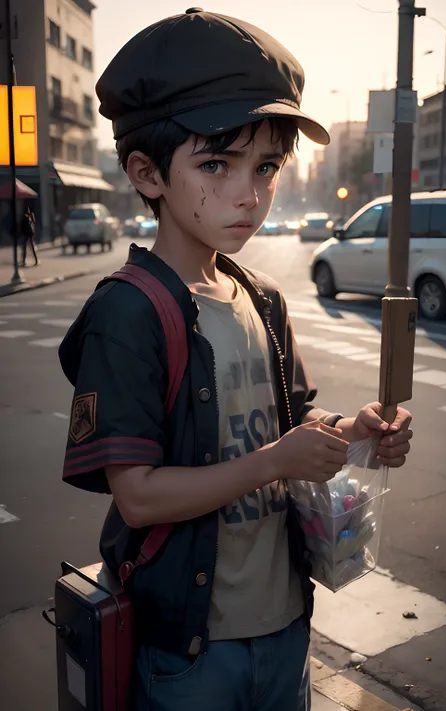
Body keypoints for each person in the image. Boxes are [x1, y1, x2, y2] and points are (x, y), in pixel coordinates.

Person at [58, 9, 413, 711]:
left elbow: (292, 423)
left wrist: (354, 432)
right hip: (189, 652)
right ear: (147, 172)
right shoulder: (129, 313)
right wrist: (277, 460)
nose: (249, 194)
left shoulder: (264, 298)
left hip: (283, 627)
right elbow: (138, 494)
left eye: (266, 166)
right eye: (216, 164)